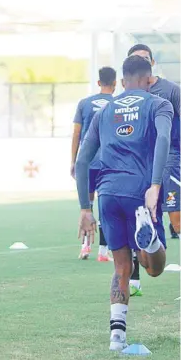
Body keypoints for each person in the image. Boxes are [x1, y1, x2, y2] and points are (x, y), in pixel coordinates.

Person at [75, 55, 173, 351]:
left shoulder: (105, 111)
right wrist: (155, 185)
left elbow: (82, 160)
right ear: (149, 78)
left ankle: (117, 337)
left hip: (108, 194)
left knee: (121, 268)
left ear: (121, 81)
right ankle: (151, 240)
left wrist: (84, 208)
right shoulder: (158, 104)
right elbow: (164, 141)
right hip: (141, 193)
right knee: (153, 267)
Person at [126, 44, 180, 296]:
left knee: (175, 217)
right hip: (137, 166)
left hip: (169, 160)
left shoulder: (170, 91)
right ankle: (133, 280)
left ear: (152, 63)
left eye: (144, 60)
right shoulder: (127, 96)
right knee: (135, 217)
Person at [71, 67, 116, 261]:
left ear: (98, 83)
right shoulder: (118, 104)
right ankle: (103, 252)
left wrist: (73, 160)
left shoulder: (84, 103)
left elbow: (76, 133)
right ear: (115, 83)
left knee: (87, 205)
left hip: (88, 161)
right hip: (109, 163)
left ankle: (85, 247)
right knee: (105, 206)